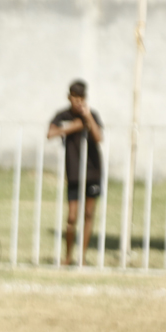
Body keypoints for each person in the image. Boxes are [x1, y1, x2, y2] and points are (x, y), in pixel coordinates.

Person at [47, 79, 104, 267]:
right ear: (69, 97)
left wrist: (87, 118)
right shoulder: (62, 115)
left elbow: (99, 138)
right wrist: (75, 126)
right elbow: (50, 133)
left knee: (89, 214)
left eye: (81, 99)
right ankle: (68, 256)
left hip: (93, 171)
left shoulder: (92, 115)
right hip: (73, 172)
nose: (78, 102)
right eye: (75, 98)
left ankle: (82, 257)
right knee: (72, 216)